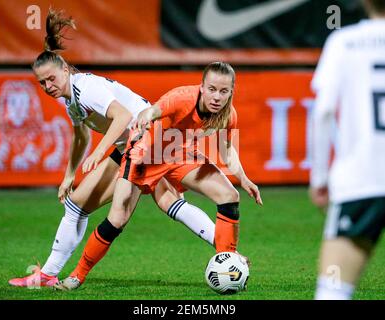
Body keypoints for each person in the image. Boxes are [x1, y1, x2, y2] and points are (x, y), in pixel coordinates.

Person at [8, 9, 216, 288]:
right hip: (144, 140)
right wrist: (69, 174)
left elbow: (123, 117)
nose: (48, 86)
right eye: (42, 82)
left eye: (51, 79)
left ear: (66, 70)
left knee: (85, 207)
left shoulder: (86, 88)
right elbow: (80, 135)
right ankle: (228, 249)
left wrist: (98, 153)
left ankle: (49, 275)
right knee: (163, 201)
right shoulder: (71, 99)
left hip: (147, 137)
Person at [55, 61, 263, 290]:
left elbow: (226, 148)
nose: (217, 97)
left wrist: (243, 178)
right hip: (144, 152)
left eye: (224, 91)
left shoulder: (227, 114)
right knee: (117, 219)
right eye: (212, 89)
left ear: (231, 91)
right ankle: (77, 275)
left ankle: (228, 263)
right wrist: (146, 116)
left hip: (175, 153)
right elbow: (154, 109)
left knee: (229, 195)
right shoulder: (183, 98)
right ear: (202, 87)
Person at [310, 0, 385, 300]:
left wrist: (319, 178)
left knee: (333, 288)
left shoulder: (344, 42)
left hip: (361, 179)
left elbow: (323, 112)